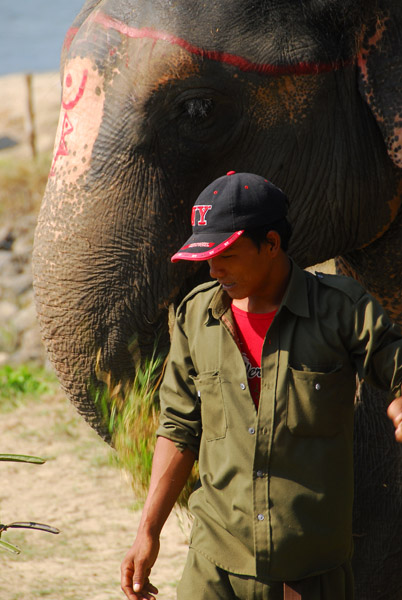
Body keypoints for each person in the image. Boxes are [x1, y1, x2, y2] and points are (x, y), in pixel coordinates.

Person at [121, 171, 402, 600]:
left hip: (308, 571)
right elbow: (178, 428)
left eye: (226, 254)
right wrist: (148, 532)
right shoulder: (196, 316)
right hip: (214, 562)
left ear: (271, 244)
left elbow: (394, 359)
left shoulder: (341, 309)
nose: (213, 269)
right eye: (206, 256)